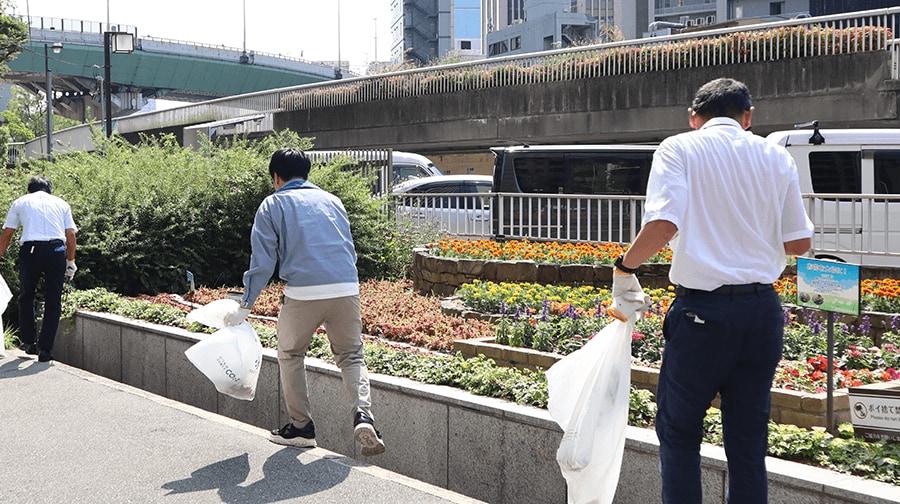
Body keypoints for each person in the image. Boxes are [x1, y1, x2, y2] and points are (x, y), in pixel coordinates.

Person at [610, 78, 813, 503]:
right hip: (762, 312)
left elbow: (665, 224)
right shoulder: (777, 157)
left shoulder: (679, 147)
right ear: (748, 117)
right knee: (748, 439)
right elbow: (798, 245)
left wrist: (625, 266)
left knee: (680, 432)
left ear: (693, 117)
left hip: (703, 314)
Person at [223, 147, 385, 456]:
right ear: (306, 174)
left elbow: (263, 261)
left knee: (290, 353)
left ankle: (301, 428)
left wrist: (245, 304)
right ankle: (364, 415)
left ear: (276, 177)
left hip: (303, 292)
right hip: (346, 289)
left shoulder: (273, 203)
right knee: (351, 356)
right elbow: (349, 250)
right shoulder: (333, 201)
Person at [0, 176, 78, 363]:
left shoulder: (21, 202)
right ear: (49, 190)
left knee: (26, 296)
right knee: (53, 300)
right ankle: (45, 350)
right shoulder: (61, 204)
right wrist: (71, 261)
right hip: (56, 251)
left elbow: (8, 233)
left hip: (32, 251)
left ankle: (28, 342)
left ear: (29, 190)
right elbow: (70, 234)